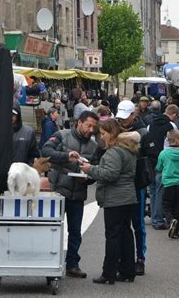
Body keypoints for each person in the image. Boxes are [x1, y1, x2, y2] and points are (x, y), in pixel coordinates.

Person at [41, 111, 99, 278]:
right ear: (79, 122)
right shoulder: (62, 135)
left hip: (78, 194)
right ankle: (49, 264)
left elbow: (95, 170)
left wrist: (87, 179)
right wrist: (66, 156)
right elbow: (45, 151)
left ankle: (72, 265)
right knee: (52, 229)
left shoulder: (94, 146)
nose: (91, 129)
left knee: (75, 232)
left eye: (94, 127)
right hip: (57, 191)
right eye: (88, 125)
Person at [81, 119, 139, 284]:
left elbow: (111, 174)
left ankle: (108, 273)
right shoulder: (128, 149)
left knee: (113, 236)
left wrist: (90, 169)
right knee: (126, 234)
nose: (101, 137)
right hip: (127, 196)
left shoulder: (114, 151)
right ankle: (128, 271)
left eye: (103, 133)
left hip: (115, 198)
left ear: (112, 133)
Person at [115, 100, 148, 275]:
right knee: (121, 224)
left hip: (136, 184)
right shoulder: (115, 128)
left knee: (138, 223)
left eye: (126, 117)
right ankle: (123, 258)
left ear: (133, 115)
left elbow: (150, 157)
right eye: (121, 117)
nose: (123, 121)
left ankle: (140, 258)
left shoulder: (143, 132)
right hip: (118, 184)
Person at [142, 104, 179, 230]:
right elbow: (172, 144)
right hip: (163, 161)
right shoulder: (171, 126)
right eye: (176, 116)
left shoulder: (151, 124)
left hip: (150, 160)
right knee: (160, 191)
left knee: (152, 191)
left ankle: (154, 217)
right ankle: (158, 220)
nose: (176, 118)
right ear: (173, 114)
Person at [155, 130, 179, 239]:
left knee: (166, 204)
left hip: (168, 183)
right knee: (178, 207)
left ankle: (170, 221)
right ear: (177, 140)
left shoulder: (163, 153)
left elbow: (159, 167)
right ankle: (177, 230)